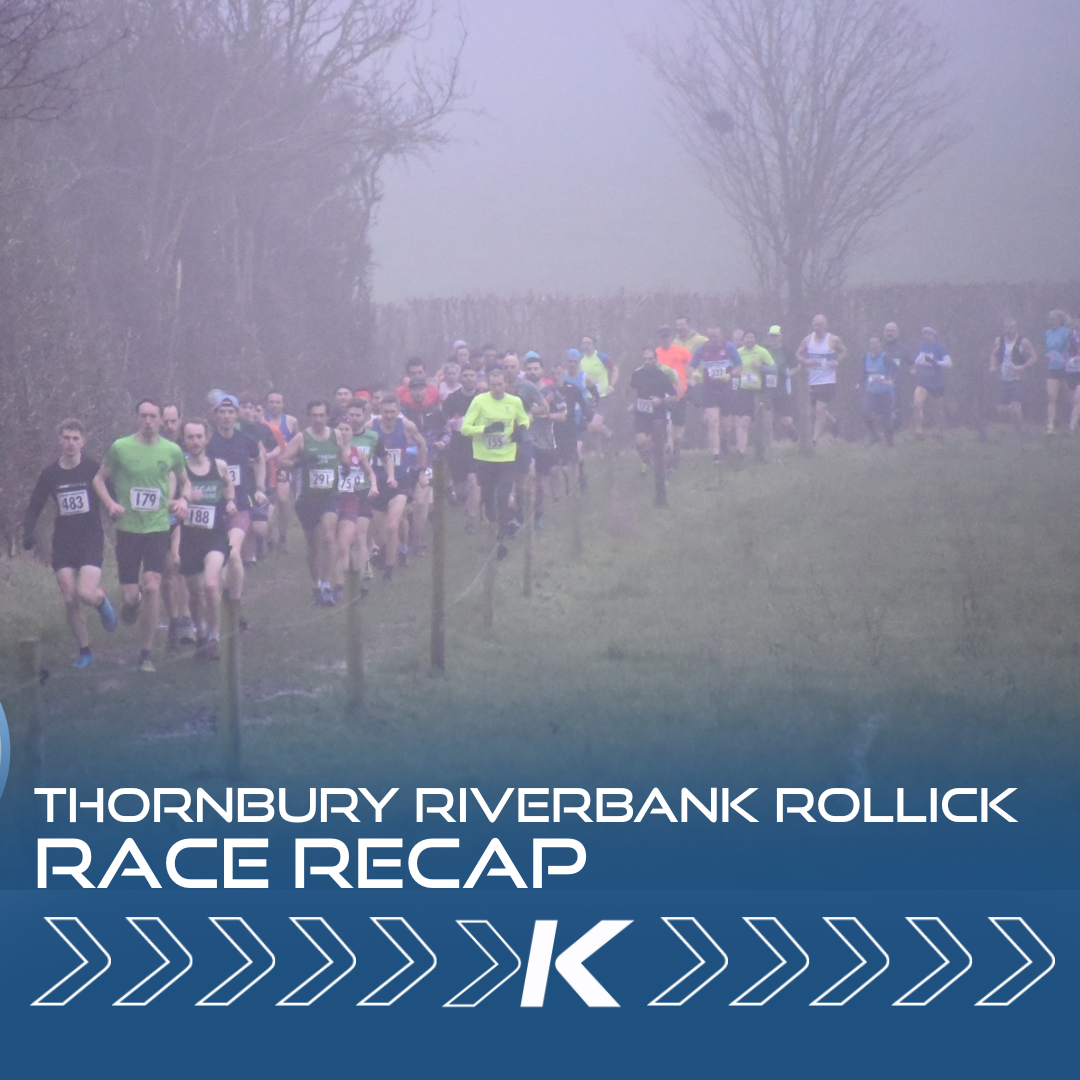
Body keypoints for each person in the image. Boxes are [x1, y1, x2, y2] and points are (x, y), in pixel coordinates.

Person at [93, 398, 190, 673]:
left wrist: (183, 501)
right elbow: (99, 479)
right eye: (143, 416)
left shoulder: (171, 450)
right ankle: (129, 606)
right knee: (131, 596)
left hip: (158, 528)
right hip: (128, 530)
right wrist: (111, 504)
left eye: (153, 417)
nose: (148, 421)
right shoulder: (120, 447)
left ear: (161, 419)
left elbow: (185, 481)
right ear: (137, 418)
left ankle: (146, 653)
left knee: (152, 585)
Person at [23, 419, 118, 668]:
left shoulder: (93, 469)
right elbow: (35, 506)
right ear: (59, 440)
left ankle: (100, 601)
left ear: (83, 442)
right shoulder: (50, 474)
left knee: (85, 593)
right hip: (64, 541)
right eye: (66, 438)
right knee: (69, 597)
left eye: (75, 438)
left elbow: (113, 497)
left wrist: (118, 516)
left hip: (90, 539)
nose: (70, 443)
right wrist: (28, 532)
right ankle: (85, 651)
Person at [277, 399, 350, 605]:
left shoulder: (336, 435)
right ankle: (316, 584)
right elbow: (282, 461)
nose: (318, 419)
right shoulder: (302, 438)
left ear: (327, 416)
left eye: (322, 415)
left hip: (329, 495)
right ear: (309, 416)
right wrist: (300, 462)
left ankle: (327, 585)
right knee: (312, 543)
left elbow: (343, 454)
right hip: (307, 498)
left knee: (328, 537)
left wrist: (345, 464)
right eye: (314, 415)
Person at [176, 419, 236, 661]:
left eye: (199, 436)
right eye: (190, 437)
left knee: (211, 584)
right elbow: (170, 501)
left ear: (207, 439)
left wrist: (230, 501)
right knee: (195, 594)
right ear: (184, 440)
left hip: (215, 535)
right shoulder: (179, 470)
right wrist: (186, 499)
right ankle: (200, 630)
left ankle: (214, 636)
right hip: (190, 538)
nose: (195, 442)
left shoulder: (219, 466)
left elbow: (229, 486)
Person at [460, 366, 530, 558]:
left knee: (503, 495)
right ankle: (495, 525)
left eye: (500, 384)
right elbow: (465, 428)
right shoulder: (479, 401)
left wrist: (520, 430)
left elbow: (525, 420)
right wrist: (485, 429)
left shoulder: (514, 401)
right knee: (488, 497)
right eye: (494, 385)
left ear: (505, 384)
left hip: (507, 457)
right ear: (488, 385)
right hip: (485, 458)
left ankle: (501, 538)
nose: (498, 388)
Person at [207, 393, 267, 618]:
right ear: (215, 415)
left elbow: (261, 458)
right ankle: (217, 602)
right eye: (221, 412)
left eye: (230, 412)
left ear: (237, 414)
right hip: (213, 508)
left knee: (232, 553)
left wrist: (260, 487)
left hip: (241, 505)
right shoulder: (208, 442)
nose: (226, 416)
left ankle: (235, 606)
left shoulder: (246, 440)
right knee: (217, 559)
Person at [368, 394, 426, 581]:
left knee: (393, 525)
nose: (389, 415)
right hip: (377, 483)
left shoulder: (407, 426)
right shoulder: (371, 427)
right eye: (386, 412)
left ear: (398, 411)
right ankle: (390, 551)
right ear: (380, 412)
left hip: (400, 481)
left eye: (393, 411)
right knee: (380, 531)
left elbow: (422, 444)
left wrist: (421, 470)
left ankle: (389, 570)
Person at [158, 403, 196, 648]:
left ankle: (186, 619)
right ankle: (174, 620)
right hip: (161, 517)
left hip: (186, 517)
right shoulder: (156, 447)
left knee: (181, 566)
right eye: (166, 421)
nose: (170, 426)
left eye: (174, 421)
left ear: (180, 420)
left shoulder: (192, 443)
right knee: (167, 572)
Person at [331, 413, 379, 602]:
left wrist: (373, 485)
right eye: (340, 429)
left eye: (347, 429)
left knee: (346, 544)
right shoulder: (328, 451)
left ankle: (350, 585)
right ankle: (330, 583)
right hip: (331, 501)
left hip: (351, 501)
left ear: (352, 432)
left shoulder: (358, 452)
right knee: (331, 545)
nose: (343, 433)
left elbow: (370, 473)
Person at [237, 393, 278, 563]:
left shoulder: (261, 428)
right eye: (243, 406)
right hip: (240, 479)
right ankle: (248, 558)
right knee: (245, 520)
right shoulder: (229, 428)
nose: (247, 411)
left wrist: (265, 457)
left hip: (259, 476)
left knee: (259, 528)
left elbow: (275, 449)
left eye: (250, 407)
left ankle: (262, 541)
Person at [524, 354, 564, 526]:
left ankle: (538, 514)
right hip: (526, 440)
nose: (533, 372)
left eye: (536, 368)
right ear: (525, 371)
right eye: (529, 369)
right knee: (529, 475)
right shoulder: (519, 390)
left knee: (541, 484)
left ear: (542, 371)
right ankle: (521, 512)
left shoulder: (552, 391)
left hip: (546, 441)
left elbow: (563, 415)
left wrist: (547, 415)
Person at [796, 315, 848, 444]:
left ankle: (814, 439)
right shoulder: (808, 340)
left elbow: (844, 351)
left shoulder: (833, 339)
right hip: (813, 381)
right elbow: (798, 354)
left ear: (825, 325)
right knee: (819, 410)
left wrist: (837, 361)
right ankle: (834, 422)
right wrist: (805, 361)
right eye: (815, 325)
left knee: (820, 410)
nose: (817, 328)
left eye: (820, 325)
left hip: (828, 380)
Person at [690, 326, 738, 462]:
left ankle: (724, 441)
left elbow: (739, 366)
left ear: (721, 336)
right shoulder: (702, 349)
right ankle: (715, 455)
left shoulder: (729, 347)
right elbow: (691, 366)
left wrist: (730, 375)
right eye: (710, 337)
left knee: (726, 425)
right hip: (709, 390)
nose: (713, 339)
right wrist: (692, 376)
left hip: (726, 389)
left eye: (715, 336)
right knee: (712, 422)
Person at [629, 347, 679, 475]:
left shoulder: (661, 375)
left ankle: (659, 470)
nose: (647, 362)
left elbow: (675, 397)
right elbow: (631, 390)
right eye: (645, 359)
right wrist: (633, 404)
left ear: (655, 360)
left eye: (650, 359)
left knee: (657, 446)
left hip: (658, 416)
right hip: (641, 415)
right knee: (640, 442)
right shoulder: (637, 374)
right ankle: (648, 461)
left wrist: (660, 401)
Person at [444, 363, 482, 527]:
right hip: (457, 446)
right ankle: (469, 503)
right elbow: (444, 421)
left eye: (471, 375)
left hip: (477, 446)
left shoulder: (483, 398)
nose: (468, 378)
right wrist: (450, 423)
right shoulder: (452, 399)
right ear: (460, 378)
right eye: (465, 375)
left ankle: (472, 520)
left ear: (476, 378)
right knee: (461, 489)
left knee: (474, 481)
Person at [263, 390, 299, 553]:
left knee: (283, 500)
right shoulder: (261, 420)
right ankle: (268, 538)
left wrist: (292, 463)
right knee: (267, 503)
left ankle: (282, 537)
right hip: (265, 466)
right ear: (266, 404)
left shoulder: (291, 421)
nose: (274, 405)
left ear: (283, 404)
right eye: (271, 402)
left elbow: (299, 442)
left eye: (278, 402)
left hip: (283, 466)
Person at [731, 330, 776, 456]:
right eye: (747, 337)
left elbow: (774, 369)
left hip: (759, 392)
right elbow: (732, 367)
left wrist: (761, 366)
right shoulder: (738, 353)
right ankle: (741, 451)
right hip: (743, 390)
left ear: (755, 339)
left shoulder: (761, 351)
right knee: (742, 421)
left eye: (752, 337)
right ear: (743, 339)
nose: (749, 340)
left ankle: (766, 449)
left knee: (761, 422)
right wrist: (735, 372)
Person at [989, 318, 1036, 430]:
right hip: (1002, 379)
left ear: (1016, 328)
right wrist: (993, 366)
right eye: (1006, 328)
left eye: (1011, 328)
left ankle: (1020, 430)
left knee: (1016, 407)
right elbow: (993, 355)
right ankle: (1017, 423)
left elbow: (1034, 357)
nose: (1008, 330)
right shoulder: (999, 341)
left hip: (1017, 379)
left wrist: (1023, 366)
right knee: (1000, 409)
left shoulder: (1023, 341)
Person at [655, 326, 693, 465]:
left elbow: (691, 364)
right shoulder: (656, 354)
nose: (665, 340)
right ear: (659, 338)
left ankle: (677, 445)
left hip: (680, 391)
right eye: (662, 337)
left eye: (667, 337)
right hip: (664, 395)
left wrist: (690, 377)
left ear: (671, 337)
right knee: (667, 423)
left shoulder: (680, 350)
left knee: (679, 423)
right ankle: (669, 449)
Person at [857, 335, 901, 446]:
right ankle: (874, 435)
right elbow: (865, 371)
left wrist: (891, 380)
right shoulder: (866, 357)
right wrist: (859, 383)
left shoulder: (885, 357)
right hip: (871, 391)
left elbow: (896, 369)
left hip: (885, 392)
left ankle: (890, 442)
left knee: (886, 419)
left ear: (880, 344)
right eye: (871, 343)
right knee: (865, 412)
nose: (873, 346)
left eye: (876, 343)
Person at [910, 327, 953, 439]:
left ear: (934, 336)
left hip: (936, 383)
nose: (926, 336)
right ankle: (918, 431)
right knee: (916, 404)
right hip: (922, 382)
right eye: (924, 334)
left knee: (937, 410)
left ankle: (941, 431)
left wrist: (935, 362)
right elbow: (918, 359)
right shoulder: (921, 346)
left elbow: (948, 364)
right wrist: (913, 368)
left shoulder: (940, 348)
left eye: (929, 334)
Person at [579, 335, 617, 446]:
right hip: (587, 397)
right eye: (584, 343)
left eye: (588, 343)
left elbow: (614, 369)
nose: (586, 346)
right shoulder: (580, 359)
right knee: (590, 429)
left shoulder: (602, 357)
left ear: (593, 345)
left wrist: (612, 385)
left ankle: (608, 434)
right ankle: (600, 452)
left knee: (595, 425)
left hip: (602, 396)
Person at [766, 326, 799, 442]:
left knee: (784, 418)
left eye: (775, 336)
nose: (773, 338)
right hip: (767, 387)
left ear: (780, 337)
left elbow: (797, 366)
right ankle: (773, 441)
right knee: (768, 415)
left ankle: (792, 431)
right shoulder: (765, 350)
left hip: (782, 387)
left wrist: (790, 373)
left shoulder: (786, 351)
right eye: (771, 336)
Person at [1043, 309, 1072, 434]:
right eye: (1050, 319)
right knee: (1051, 397)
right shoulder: (1047, 333)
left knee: (1070, 398)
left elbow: (1072, 345)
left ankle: (1071, 424)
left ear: (1059, 320)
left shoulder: (1066, 331)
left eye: (1053, 319)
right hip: (1052, 368)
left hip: (1065, 368)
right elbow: (1047, 349)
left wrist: (1062, 314)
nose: (1051, 321)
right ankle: (1050, 426)